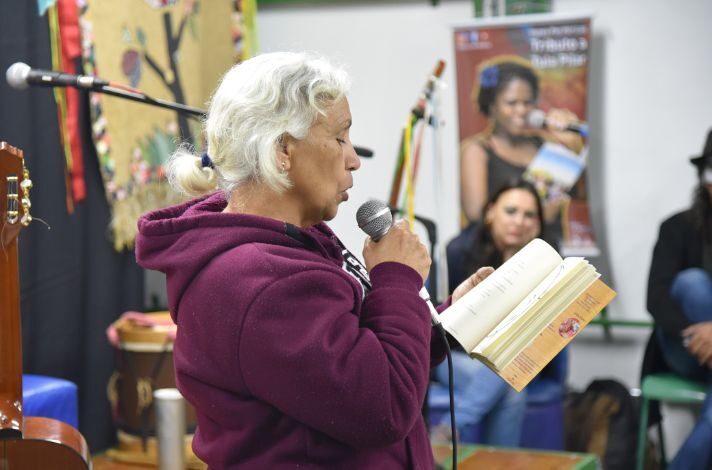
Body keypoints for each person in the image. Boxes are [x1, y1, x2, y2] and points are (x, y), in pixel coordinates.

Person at [135, 51, 491, 469]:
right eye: (340, 137)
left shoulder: (280, 249)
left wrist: (442, 323)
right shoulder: (263, 282)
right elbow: (383, 407)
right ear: (283, 149)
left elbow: (343, 359)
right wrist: (396, 278)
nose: (354, 159)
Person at [437, 178, 548, 446]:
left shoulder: (546, 258)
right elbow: (452, 326)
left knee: (510, 375)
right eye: (511, 211)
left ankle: (448, 430)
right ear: (490, 214)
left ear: (538, 224)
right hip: (458, 355)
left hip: (520, 361)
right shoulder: (459, 252)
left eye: (529, 215)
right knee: (511, 388)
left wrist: (517, 261)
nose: (519, 221)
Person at [646, 125, 712, 470]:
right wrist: (706, 340)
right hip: (684, 347)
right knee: (692, 283)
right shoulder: (677, 228)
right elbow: (657, 298)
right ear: (704, 179)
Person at [459, 56, 584, 226]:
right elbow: (477, 215)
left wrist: (570, 148)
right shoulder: (477, 150)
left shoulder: (545, 145)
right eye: (512, 103)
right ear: (492, 105)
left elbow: (582, 194)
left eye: (527, 103)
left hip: (549, 249)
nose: (521, 110)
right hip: (509, 252)